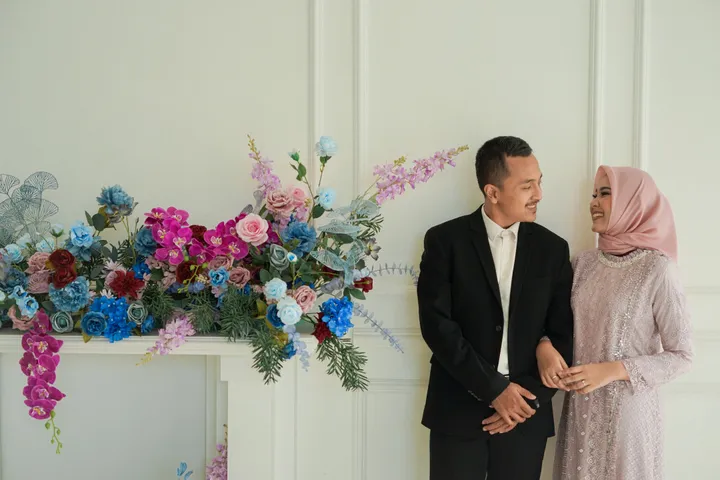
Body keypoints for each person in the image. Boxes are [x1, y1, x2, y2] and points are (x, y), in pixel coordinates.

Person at [417, 135, 574, 480]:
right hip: (457, 410)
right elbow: (437, 326)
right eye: (527, 186)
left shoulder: (553, 249)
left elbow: (564, 334)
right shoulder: (444, 241)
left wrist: (522, 402)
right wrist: (494, 390)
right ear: (492, 192)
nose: (539, 194)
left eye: (539, 182)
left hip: (526, 414)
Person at [536, 165, 693, 479]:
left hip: (628, 417)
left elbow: (682, 356)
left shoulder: (657, 269)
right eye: (594, 194)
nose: (594, 202)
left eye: (605, 194)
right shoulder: (583, 264)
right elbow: (554, 322)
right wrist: (545, 345)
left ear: (632, 202)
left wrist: (613, 370)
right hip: (581, 411)